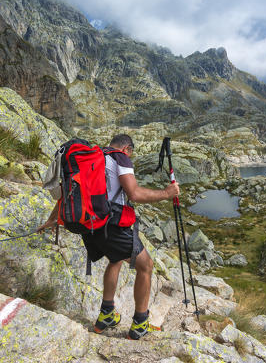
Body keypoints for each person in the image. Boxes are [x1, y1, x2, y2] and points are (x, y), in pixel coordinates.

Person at [38, 134, 180, 340]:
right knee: (146, 266)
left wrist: (53, 218)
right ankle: (140, 323)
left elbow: (71, 192)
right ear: (127, 149)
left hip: (89, 227)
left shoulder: (92, 158)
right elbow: (135, 194)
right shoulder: (120, 158)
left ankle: (106, 314)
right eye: (130, 153)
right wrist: (167, 193)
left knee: (115, 259)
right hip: (110, 225)